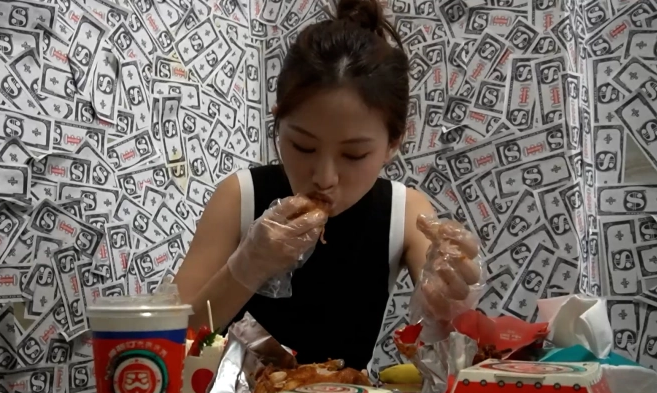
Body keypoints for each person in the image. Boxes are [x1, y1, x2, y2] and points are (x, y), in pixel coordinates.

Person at [174, 0, 481, 371]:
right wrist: (245, 268)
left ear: (393, 143)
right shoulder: (240, 196)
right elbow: (169, 343)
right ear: (277, 123)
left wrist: (451, 302)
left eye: (353, 155)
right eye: (303, 147)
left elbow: (452, 358)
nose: (324, 177)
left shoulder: (406, 212)